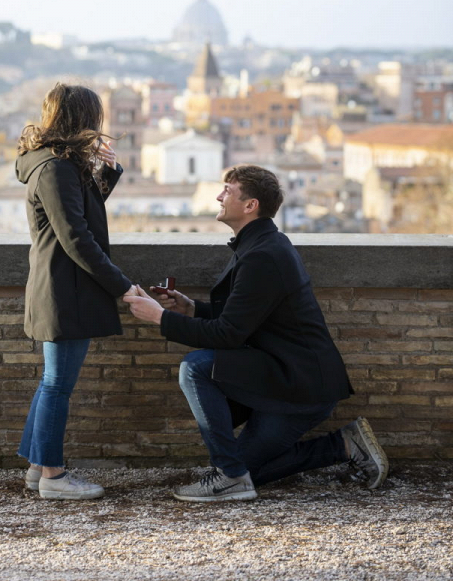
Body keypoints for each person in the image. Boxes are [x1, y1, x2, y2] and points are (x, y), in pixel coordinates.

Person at [125, 164, 388, 503]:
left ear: (250, 205)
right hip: (282, 375)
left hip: (299, 387)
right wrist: (193, 309)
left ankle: (230, 476)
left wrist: (160, 318)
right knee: (248, 472)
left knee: (195, 369)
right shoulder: (261, 244)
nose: (219, 196)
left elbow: (229, 334)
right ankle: (343, 445)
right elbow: (246, 315)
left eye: (227, 191)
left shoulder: (263, 253)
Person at [16, 83, 135, 500]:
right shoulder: (55, 168)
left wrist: (106, 173)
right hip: (66, 289)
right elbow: (77, 237)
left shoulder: (55, 164)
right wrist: (123, 287)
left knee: (53, 381)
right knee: (56, 386)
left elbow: (79, 211)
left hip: (61, 286)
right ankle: (53, 475)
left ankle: (37, 467)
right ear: (81, 118)